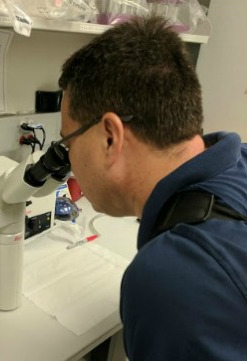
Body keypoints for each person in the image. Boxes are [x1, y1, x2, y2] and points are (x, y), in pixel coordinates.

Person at [57, 16, 247, 360]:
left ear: (110, 137)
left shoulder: (170, 280)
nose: (69, 159)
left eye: (68, 142)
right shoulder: (240, 163)